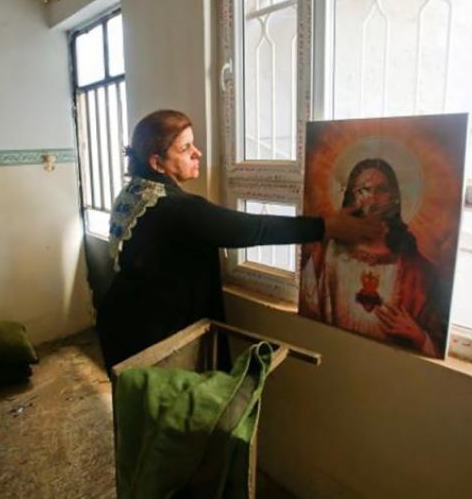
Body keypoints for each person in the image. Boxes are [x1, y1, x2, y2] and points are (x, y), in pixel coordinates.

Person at [96, 109, 384, 372]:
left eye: (193, 144)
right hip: (153, 340)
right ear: (157, 163)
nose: (198, 153)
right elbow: (253, 229)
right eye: (185, 148)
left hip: (122, 322)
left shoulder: (134, 192)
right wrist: (326, 226)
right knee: (166, 409)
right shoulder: (176, 208)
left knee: (136, 406)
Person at [300, 158, 448, 357]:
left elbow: (435, 342)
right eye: (364, 190)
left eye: (382, 190)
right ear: (352, 196)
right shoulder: (326, 254)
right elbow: (309, 313)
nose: (372, 198)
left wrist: (420, 337)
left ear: (394, 197)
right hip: (335, 353)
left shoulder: (417, 270)